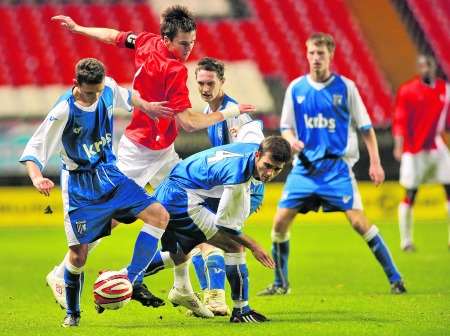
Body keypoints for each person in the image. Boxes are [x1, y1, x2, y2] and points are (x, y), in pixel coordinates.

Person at [48, 5, 255, 316]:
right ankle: (61, 271)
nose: (189, 49)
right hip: (139, 150)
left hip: (163, 152)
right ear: (168, 39)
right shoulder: (174, 70)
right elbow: (188, 123)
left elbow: (114, 36)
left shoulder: (146, 41)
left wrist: (80, 29)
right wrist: (229, 112)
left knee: (186, 209)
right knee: (110, 219)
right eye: (184, 43)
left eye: (193, 42)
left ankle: (182, 287)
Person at [19, 58, 171, 327]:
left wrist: (149, 107)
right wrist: (37, 176)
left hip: (110, 174)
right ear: (76, 84)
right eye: (90, 92)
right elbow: (35, 148)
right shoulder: (63, 111)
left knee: (159, 216)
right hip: (80, 186)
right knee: (78, 255)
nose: (96, 97)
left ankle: (133, 279)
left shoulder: (108, 87)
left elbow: (128, 96)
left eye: (99, 91)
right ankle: (73, 315)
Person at [257, 33, 406, 296]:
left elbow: (366, 128)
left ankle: (395, 278)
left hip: (336, 169)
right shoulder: (296, 88)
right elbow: (286, 127)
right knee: (279, 223)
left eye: (321, 54)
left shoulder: (346, 88)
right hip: (304, 168)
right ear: (306, 54)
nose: (315, 58)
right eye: (312, 53)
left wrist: (376, 162)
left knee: (359, 222)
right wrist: (292, 141)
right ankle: (281, 284)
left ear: (330, 56)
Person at [137, 136, 292, 323]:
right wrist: (254, 245)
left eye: (277, 169)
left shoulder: (253, 149)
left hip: (175, 192)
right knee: (235, 246)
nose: (269, 173)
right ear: (258, 155)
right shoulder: (238, 176)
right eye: (267, 165)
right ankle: (241, 310)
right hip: (182, 199)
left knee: (180, 253)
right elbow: (225, 226)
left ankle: (124, 278)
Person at [186, 57, 265, 316]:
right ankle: (212, 298)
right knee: (198, 239)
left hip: (244, 189)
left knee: (218, 239)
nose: (205, 88)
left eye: (210, 83)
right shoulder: (211, 112)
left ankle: (218, 299)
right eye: (200, 83)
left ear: (222, 82)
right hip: (224, 188)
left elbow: (250, 154)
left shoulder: (236, 117)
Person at [393, 54, 450, 251]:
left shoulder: (445, 89)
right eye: (422, 65)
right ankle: (406, 241)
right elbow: (400, 119)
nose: (425, 68)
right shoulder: (408, 91)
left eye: (428, 65)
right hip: (414, 149)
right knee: (411, 193)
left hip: (436, 146)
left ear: (434, 66)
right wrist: (399, 145)